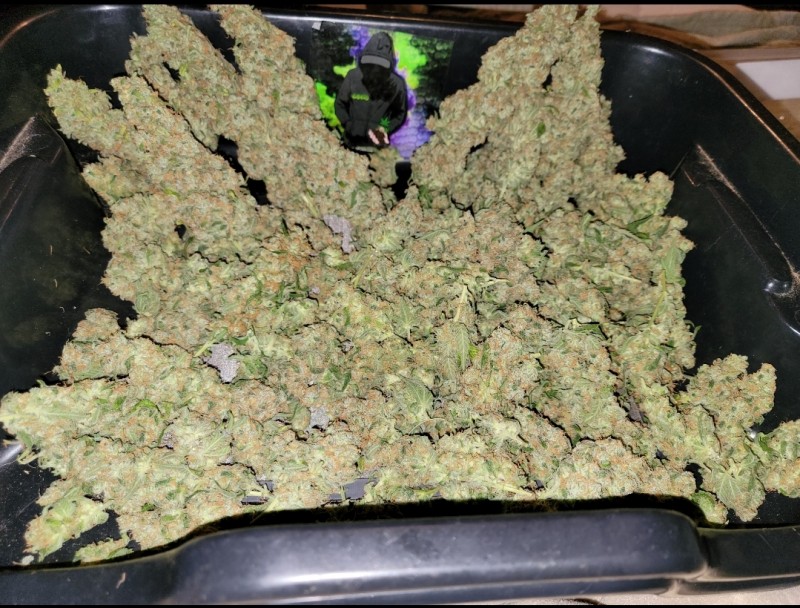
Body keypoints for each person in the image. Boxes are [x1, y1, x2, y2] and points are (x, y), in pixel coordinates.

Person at [334, 32, 408, 149]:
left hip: (377, 147)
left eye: (381, 63)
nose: (375, 68)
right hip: (350, 143)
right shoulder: (353, 76)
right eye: (371, 61)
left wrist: (384, 126)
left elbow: (398, 113)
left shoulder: (396, 84)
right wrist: (348, 123)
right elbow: (340, 103)